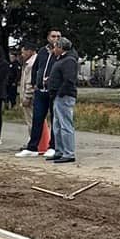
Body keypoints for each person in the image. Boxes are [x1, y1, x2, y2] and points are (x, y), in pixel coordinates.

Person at [16, 31, 60, 155]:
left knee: (54, 119)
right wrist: (35, 82)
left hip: (53, 91)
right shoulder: (42, 52)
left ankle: (52, 146)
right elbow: (35, 68)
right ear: (48, 38)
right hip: (40, 90)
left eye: (58, 36)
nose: (55, 38)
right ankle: (32, 147)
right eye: (53, 36)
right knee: (37, 119)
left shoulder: (62, 53)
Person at [45, 34, 81, 164]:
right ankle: (59, 150)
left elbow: (69, 80)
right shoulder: (61, 59)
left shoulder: (69, 60)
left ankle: (69, 152)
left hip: (64, 96)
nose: (53, 49)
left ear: (60, 47)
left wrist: (60, 93)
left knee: (65, 125)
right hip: (57, 96)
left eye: (55, 47)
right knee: (57, 125)